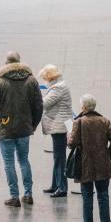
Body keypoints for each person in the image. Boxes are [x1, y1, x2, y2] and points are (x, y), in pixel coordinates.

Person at [0, 51, 43, 207]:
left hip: (5, 127)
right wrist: (33, 124)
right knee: (24, 160)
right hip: (24, 127)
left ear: (6, 63)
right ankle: (28, 194)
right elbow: (38, 106)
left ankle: (14, 196)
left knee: (9, 162)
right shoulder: (31, 80)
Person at [67, 94, 111, 222]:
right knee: (103, 195)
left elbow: (71, 144)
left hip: (85, 165)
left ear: (83, 106)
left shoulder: (79, 122)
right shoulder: (104, 121)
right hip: (102, 164)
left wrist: (69, 137)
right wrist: (108, 155)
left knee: (87, 195)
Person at [39, 65, 71, 198]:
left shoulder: (58, 88)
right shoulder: (58, 86)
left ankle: (62, 188)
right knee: (57, 157)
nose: (44, 80)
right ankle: (55, 185)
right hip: (58, 126)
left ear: (49, 76)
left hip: (59, 127)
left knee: (59, 158)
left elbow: (44, 104)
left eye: (44, 77)